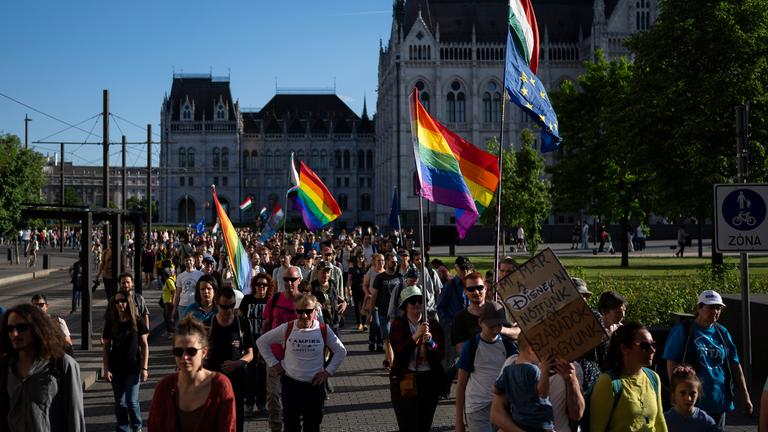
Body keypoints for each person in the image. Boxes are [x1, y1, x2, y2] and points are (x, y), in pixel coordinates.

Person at [257, 294, 347, 432]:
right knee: (291, 426)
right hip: (291, 385)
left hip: (314, 386)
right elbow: (262, 342)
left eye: (308, 311)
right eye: (299, 311)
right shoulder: (287, 328)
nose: (304, 315)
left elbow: (341, 351)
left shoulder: (323, 329)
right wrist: (274, 364)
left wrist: (327, 372)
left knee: (312, 426)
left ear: (315, 311)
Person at [663, 290, 752, 428]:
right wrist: (674, 392)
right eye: (711, 307)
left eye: (718, 308)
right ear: (699, 308)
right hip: (692, 400)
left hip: (719, 400)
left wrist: (746, 396)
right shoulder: (684, 330)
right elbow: (671, 361)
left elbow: (735, 365)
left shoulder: (722, 332)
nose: (715, 311)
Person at [0, 304, 85, 431]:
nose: (14, 334)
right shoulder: (5, 367)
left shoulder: (62, 364)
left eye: (22, 327)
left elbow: (75, 417)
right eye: (10, 329)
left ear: (37, 328)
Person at [148, 316, 236, 431]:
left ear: (204, 352)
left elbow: (228, 428)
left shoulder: (220, 385)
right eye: (178, 351)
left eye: (191, 351)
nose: (184, 357)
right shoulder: (164, 387)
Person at [589, 322, 667, 432]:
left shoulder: (653, 378)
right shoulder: (608, 382)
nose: (652, 350)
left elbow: (659, 420)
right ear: (624, 348)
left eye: (653, 344)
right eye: (645, 346)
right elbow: (596, 429)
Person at [389, 285, 446, 431]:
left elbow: (440, 355)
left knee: (424, 424)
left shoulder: (432, 325)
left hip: (428, 379)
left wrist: (431, 343)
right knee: (408, 424)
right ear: (405, 305)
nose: (417, 305)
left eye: (420, 301)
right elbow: (400, 355)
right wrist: (416, 336)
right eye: (412, 301)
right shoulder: (398, 324)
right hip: (406, 377)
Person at [455, 301, 518, 432]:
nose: (495, 330)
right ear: (480, 323)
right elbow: (461, 384)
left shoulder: (508, 346)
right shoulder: (471, 347)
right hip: (477, 409)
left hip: (501, 408)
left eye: (499, 325)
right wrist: (459, 421)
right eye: (491, 326)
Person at [205, 287, 254, 432]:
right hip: (213, 380)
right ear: (216, 304)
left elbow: (250, 354)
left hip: (236, 380)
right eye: (224, 307)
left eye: (232, 306)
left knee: (236, 419)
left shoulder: (241, 323)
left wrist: (237, 363)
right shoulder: (208, 323)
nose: (228, 310)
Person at [261, 266, 302, 432]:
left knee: (295, 398)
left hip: (297, 359)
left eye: (293, 280)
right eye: (286, 279)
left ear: (299, 280)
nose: (289, 283)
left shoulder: (305, 302)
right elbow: (266, 325)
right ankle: (276, 427)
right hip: (275, 357)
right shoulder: (275, 299)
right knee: (273, 396)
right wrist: (262, 352)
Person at [103, 289, 150, 432]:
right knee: (120, 403)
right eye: (117, 301)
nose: (120, 304)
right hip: (116, 368)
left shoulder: (137, 321)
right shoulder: (111, 323)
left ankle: (137, 427)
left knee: (132, 402)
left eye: (123, 301)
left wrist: (145, 368)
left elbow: (144, 345)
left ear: (128, 302)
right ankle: (124, 428)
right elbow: (106, 347)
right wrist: (106, 369)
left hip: (133, 368)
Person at [239, 272, 273, 417]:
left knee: (263, 376)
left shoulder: (270, 301)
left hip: (265, 344)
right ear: (254, 286)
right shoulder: (247, 299)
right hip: (249, 344)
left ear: (268, 286)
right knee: (249, 376)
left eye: (264, 285)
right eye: (258, 284)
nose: (261, 287)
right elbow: (239, 319)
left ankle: (261, 403)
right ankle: (249, 404)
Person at [369, 252, 403, 370]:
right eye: (393, 262)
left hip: (397, 314)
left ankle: (388, 360)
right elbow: (373, 297)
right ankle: (393, 365)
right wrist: (370, 313)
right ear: (388, 262)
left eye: (396, 262)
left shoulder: (400, 277)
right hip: (383, 313)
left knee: (396, 339)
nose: (395, 264)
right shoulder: (380, 278)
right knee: (387, 339)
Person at [664, 365, 718, 432]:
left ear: (698, 393)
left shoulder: (706, 422)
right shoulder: (665, 420)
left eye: (692, 393)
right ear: (674, 394)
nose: (688, 398)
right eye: (683, 393)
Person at [363, 253, 385, 352]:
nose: (381, 262)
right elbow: (365, 285)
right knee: (375, 323)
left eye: (383, 260)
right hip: (373, 302)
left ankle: (380, 343)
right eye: (379, 260)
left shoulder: (386, 273)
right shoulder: (371, 272)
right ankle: (372, 340)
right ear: (374, 262)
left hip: (383, 303)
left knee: (381, 324)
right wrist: (368, 294)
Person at [174, 255, 205, 320]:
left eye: (190, 260)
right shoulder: (180, 276)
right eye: (186, 260)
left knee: (196, 327)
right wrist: (175, 308)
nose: (188, 262)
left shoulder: (200, 274)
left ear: (194, 262)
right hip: (183, 306)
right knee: (183, 328)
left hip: (196, 305)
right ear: (184, 262)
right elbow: (178, 293)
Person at [347, 253, 367, 331]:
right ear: (357, 258)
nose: (361, 258)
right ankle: (359, 323)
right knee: (356, 307)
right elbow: (349, 280)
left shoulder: (365, 268)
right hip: (355, 289)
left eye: (362, 257)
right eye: (359, 257)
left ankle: (364, 323)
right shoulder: (352, 268)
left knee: (363, 306)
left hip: (364, 289)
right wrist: (349, 289)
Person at [160, 266, 176, 335]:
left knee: (168, 317)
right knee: (166, 316)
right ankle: (170, 331)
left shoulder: (169, 280)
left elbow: (174, 291)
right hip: (166, 301)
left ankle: (171, 331)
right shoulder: (168, 280)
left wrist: (173, 301)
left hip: (169, 302)